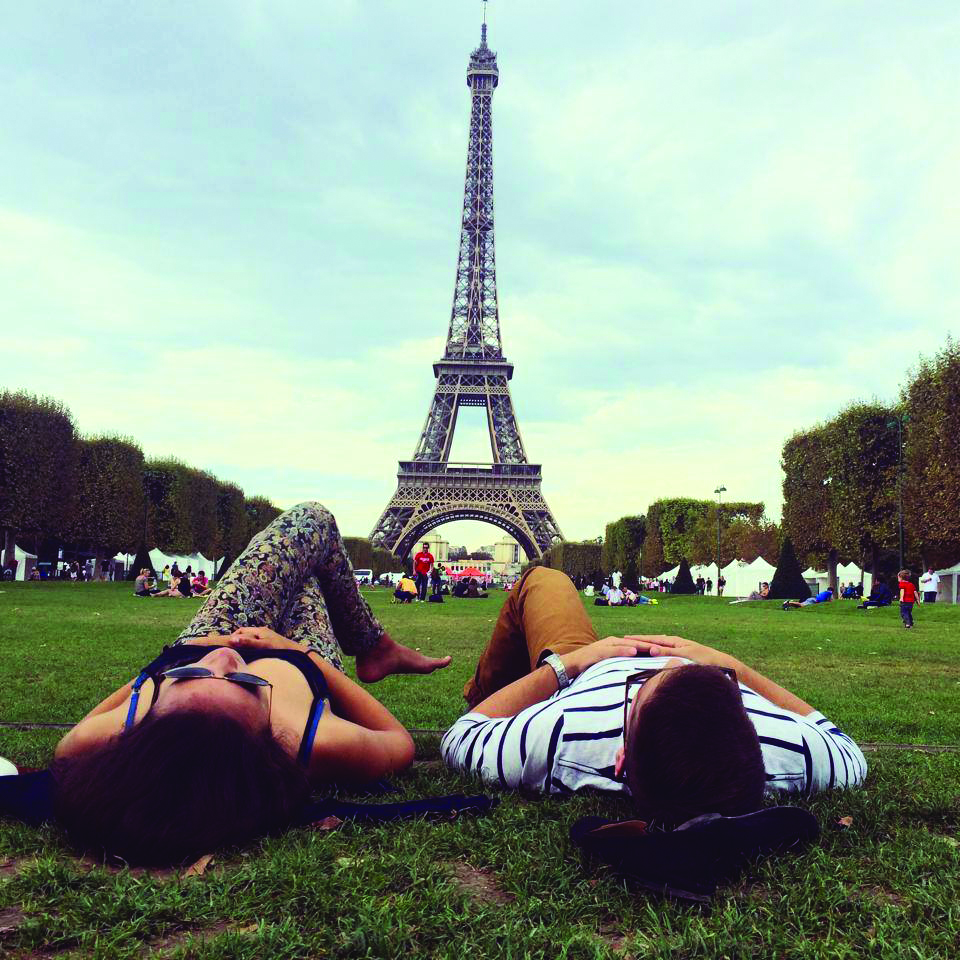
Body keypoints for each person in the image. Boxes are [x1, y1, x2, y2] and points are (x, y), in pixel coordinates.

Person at [53, 502, 451, 867]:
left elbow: (66, 747)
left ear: (151, 710)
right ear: (271, 738)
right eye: (246, 683)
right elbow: (398, 742)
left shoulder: (129, 722)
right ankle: (374, 647)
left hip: (213, 633)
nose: (226, 661)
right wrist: (301, 654)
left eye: (190, 676)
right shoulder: (310, 741)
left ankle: (373, 647)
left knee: (311, 534)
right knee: (310, 553)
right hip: (302, 655)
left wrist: (174, 658)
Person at [443, 567, 865, 824]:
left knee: (544, 579)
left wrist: (567, 666)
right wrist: (728, 662)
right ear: (753, 731)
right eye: (716, 682)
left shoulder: (558, 737)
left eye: (641, 688)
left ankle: (479, 688)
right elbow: (849, 750)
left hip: (589, 666)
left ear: (620, 759)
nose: (660, 662)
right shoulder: (792, 754)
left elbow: (464, 734)